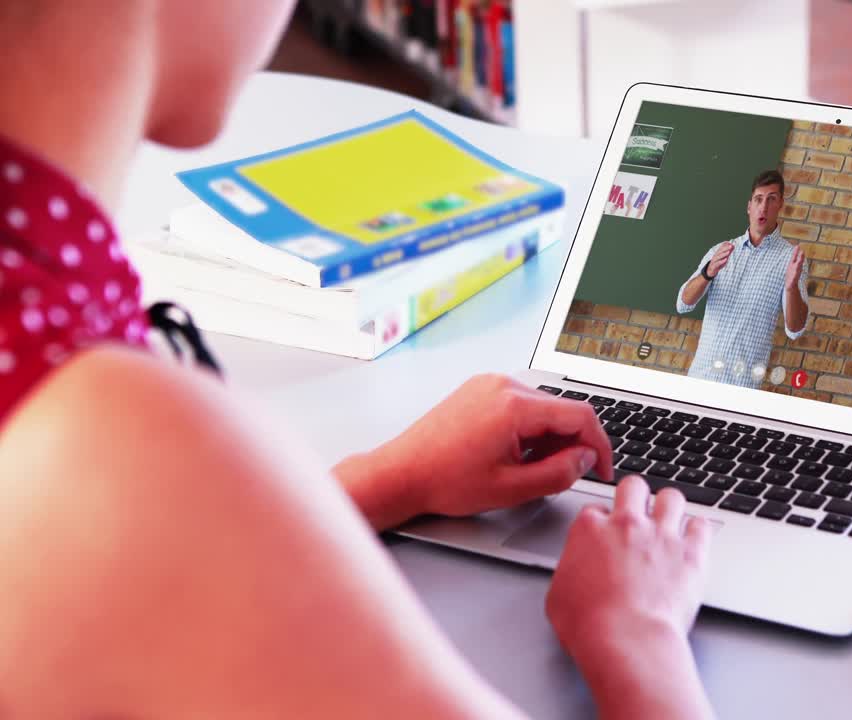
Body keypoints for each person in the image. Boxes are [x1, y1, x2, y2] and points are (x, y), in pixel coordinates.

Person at [0, 2, 715, 718]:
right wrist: (640, 638)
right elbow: (151, 529)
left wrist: (386, 480)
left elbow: (146, 581)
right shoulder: (123, 442)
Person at [676, 169, 809, 389]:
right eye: (758, 199)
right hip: (699, 379)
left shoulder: (792, 260)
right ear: (749, 207)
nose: (763, 207)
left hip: (742, 387)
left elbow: (795, 330)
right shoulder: (721, 250)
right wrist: (706, 274)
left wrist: (792, 286)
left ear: (780, 205)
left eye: (771, 199)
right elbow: (683, 303)